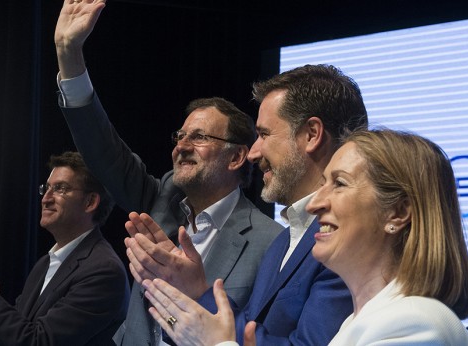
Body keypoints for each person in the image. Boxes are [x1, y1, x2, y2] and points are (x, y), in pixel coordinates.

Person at [53, 1, 284, 345]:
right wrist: (69, 56)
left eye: (200, 137)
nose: (182, 146)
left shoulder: (270, 242)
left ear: (237, 157)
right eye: (180, 136)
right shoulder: (160, 199)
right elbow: (103, 150)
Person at [143, 129, 468, 346]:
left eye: (340, 183)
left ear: (398, 213)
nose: (316, 202)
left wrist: (218, 344)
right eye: (324, 183)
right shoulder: (360, 322)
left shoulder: (414, 326)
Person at [125, 64, 368, 345]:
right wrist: (189, 293)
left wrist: (201, 300)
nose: (254, 152)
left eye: (264, 135)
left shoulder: (348, 239)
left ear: (312, 134)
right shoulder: (282, 244)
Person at [0, 151, 130, 345]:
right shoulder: (44, 264)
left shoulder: (104, 271)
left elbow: (39, 341)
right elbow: (19, 335)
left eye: (60, 188)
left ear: (90, 202)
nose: (46, 198)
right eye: (46, 188)